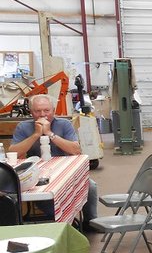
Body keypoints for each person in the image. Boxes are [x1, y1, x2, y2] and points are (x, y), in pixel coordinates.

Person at [10, 93, 98, 225]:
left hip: (64, 168)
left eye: (46, 110)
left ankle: (90, 221)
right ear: (31, 112)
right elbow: (13, 152)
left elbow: (76, 150)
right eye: (37, 111)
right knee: (44, 193)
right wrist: (36, 135)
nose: (42, 115)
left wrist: (50, 134)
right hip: (38, 172)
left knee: (90, 185)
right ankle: (64, 220)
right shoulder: (23, 127)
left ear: (53, 111)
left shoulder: (64, 124)